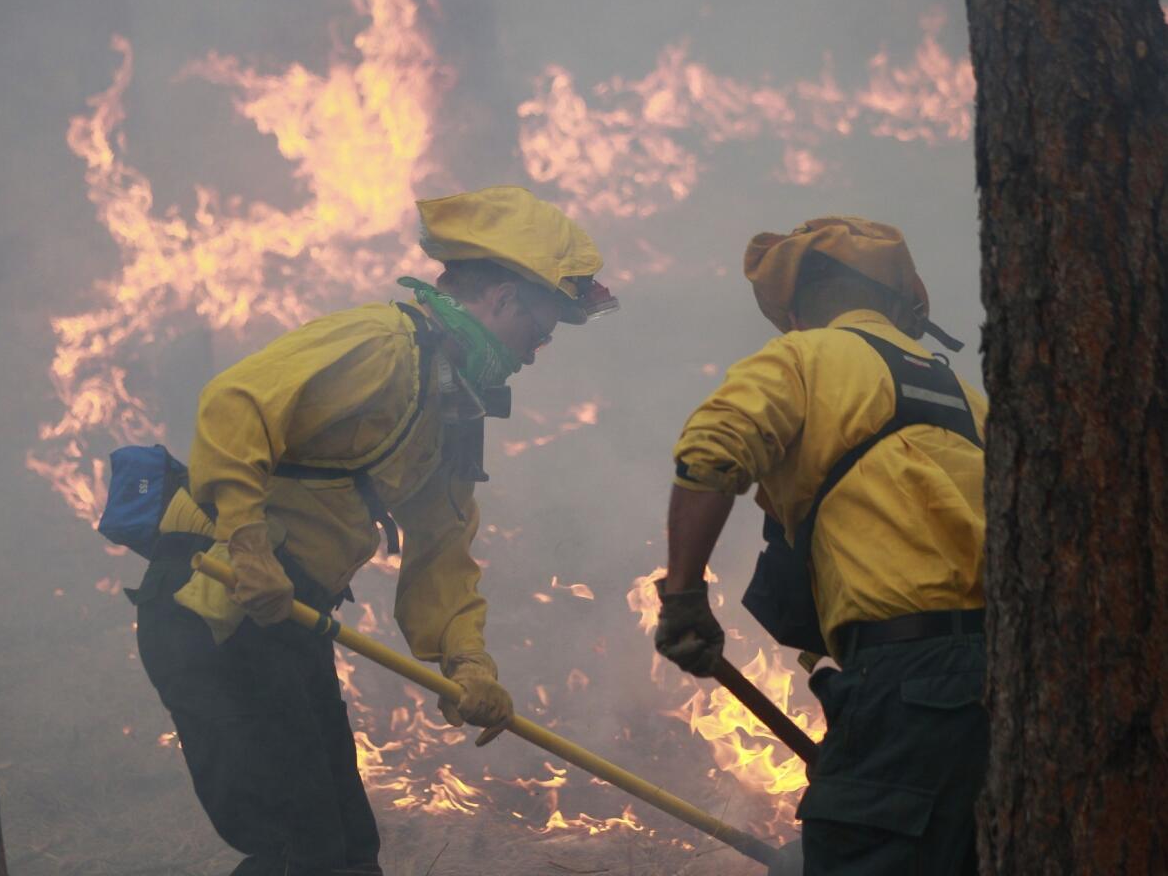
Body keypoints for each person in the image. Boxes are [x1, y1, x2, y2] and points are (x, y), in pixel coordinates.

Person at [129, 186, 617, 876]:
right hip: (212, 600)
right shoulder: (381, 344)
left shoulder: (454, 404)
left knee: (347, 852)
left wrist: (466, 661)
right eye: (538, 329)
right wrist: (245, 542)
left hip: (285, 616)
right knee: (300, 853)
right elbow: (234, 405)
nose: (536, 353)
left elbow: (443, 548)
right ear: (504, 300)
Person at [653, 217, 987, 875]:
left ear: (795, 308)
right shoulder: (969, 398)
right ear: (901, 296)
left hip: (903, 685)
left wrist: (684, 596)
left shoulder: (805, 358)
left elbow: (709, 454)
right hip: (1010, 684)